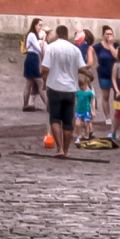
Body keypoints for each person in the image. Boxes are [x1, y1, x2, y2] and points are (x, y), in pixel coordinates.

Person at [39, 27, 86, 157]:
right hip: (70, 89)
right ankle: (66, 150)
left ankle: (59, 148)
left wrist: (44, 80)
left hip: (54, 87)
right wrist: (89, 75)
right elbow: (82, 68)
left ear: (57, 34)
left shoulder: (51, 47)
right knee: (67, 120)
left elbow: (45, 68)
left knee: (54, 118)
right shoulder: (75, 49)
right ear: (67, 34)